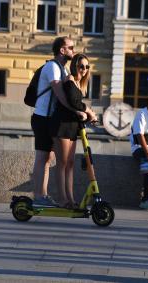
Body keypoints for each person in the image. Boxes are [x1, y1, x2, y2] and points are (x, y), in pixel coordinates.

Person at [31, 37, 87, 207]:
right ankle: (39, 197)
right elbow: (61, 96)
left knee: (48, 158)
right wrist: (77, 110)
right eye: (70, 47)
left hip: (50, 119)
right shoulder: (52, 67)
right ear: (62, 50)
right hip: (42, 118)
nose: (73, 50)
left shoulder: (62, 69)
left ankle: (43, 195)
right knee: (42, 158)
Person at [50, 53, 97, 208]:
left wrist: (86, 114)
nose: (84, 69)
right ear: (75, 66)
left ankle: (70, 198)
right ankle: (62, 199)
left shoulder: (78, 83)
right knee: (62, 163)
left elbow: (76, 104)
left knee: (70, 163)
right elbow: (73, 102)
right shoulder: (69, 80)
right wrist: (88, 110)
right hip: (61, 125)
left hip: (72, 126)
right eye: (81, 66)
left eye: (87, 67)